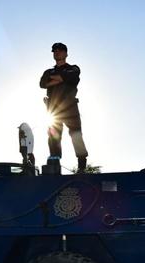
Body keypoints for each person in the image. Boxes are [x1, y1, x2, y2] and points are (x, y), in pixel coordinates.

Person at [40, 42, 88, 173]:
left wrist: (56, 80)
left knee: (76, 134)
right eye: (54, 51)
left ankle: (82, 165)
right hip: (53, 109)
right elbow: (43, 83)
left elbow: (71, 76)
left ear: (66, 53)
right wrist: (61, 79)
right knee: (53, 135)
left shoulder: (74, 68)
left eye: (60, 50)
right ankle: (55, 161)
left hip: (70, 107)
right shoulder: (48, 71)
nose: (57, 52)